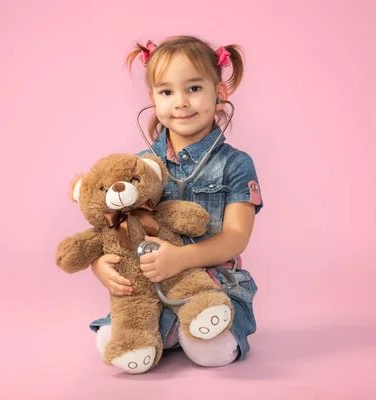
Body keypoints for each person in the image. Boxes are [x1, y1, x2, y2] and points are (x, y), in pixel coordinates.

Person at [89, 35, 263, 368]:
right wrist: (101, 266)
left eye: (194, 88)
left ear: (220, 93)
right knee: (111, 342)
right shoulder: (138, 167)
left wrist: (182, 258)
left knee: (211, 350)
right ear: (153, 99)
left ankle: (196, 331)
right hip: (150, 289)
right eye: (167, 92)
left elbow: (236, 236)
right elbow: (110, 229)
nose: (180, 102)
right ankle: (162, 332)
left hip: (216, 284)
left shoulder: (236, 164)